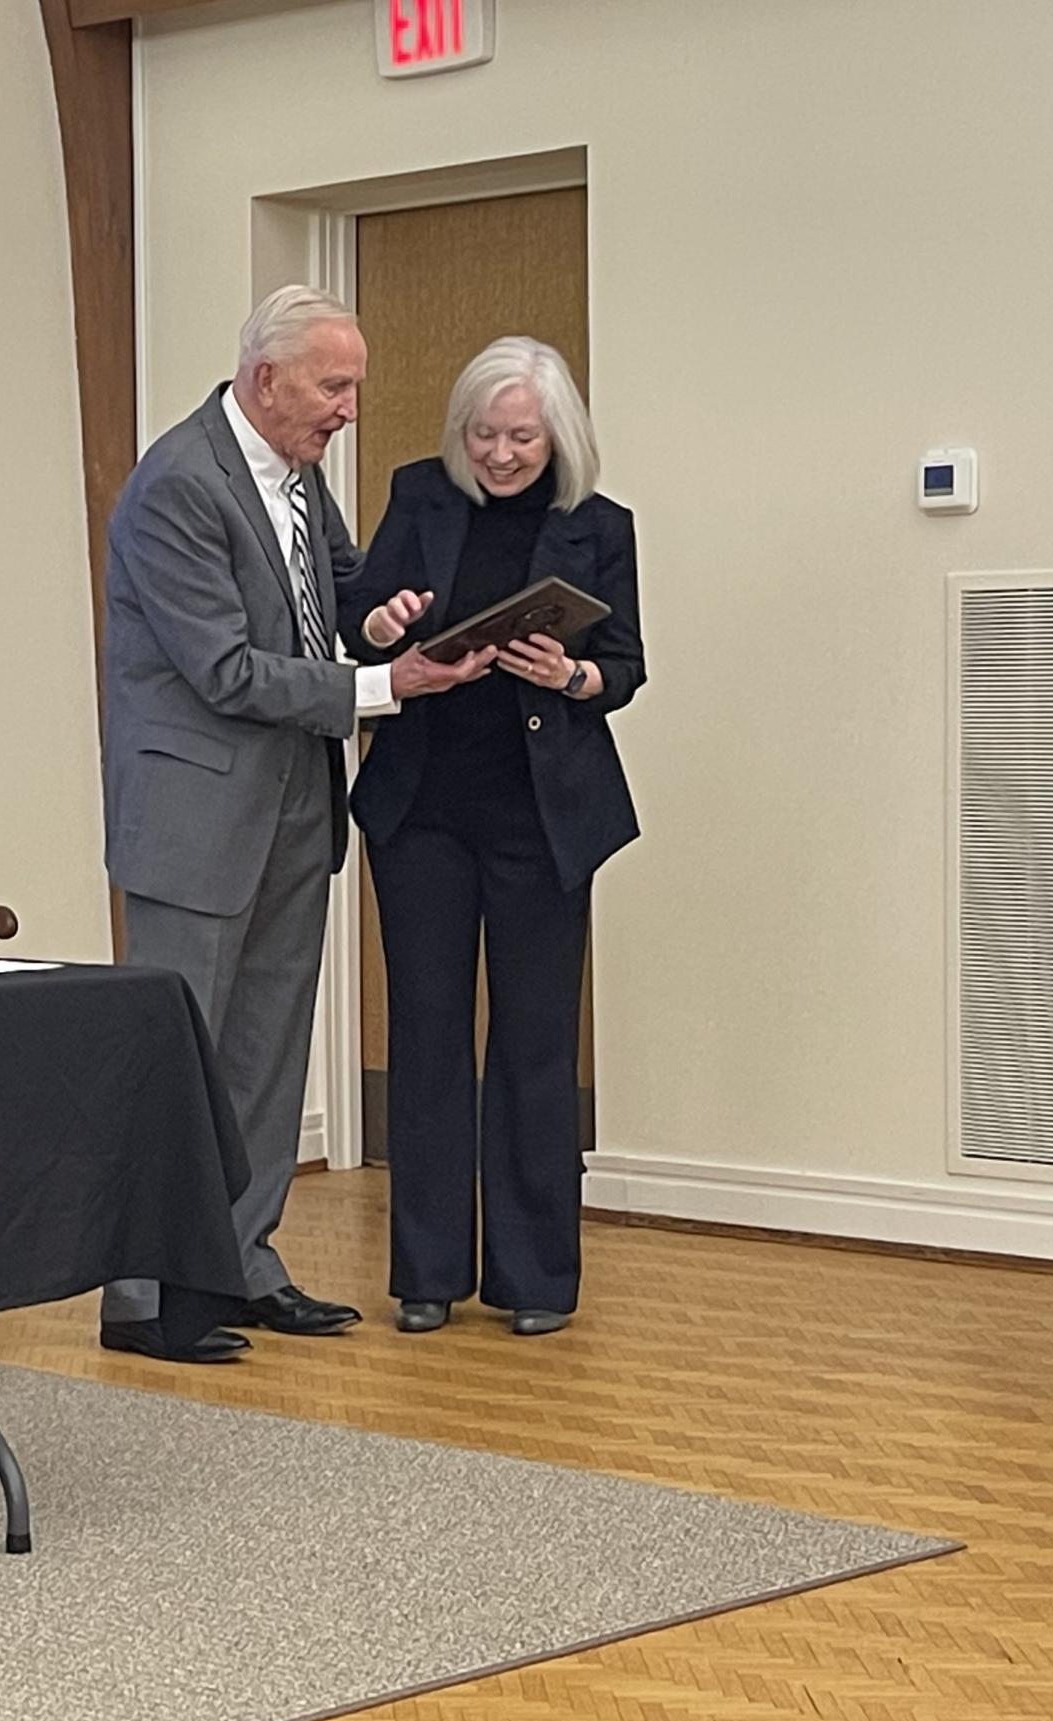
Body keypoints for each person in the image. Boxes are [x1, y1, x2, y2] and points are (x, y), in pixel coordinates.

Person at [99, 285, 493, 1363]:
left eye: (353, 385)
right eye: (334, 385)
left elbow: (337, 592)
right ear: (265, 379)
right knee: (175, 1060)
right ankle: (141, 1295)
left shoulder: (300, 478)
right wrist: (385, 687)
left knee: (267, 1058)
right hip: (193, 822)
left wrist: (383, 617)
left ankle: (239, 1262)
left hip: (289, 810)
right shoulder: (178, 485)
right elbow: (225, 668)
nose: (349, 408)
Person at [340, 336, 646, 1337]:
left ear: (557, 436)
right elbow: (361, 626)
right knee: (426, 1040)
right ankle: (426, 1276)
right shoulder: (418, 494)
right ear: (459, 429)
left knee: (533, 1045)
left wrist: (570, 676)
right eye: (485, 433)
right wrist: (385, 628)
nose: (502, 454)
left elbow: (625, 668)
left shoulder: (598, 526)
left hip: (540, 820)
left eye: (522, 436)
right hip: (423, 812)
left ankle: (535, 1280)